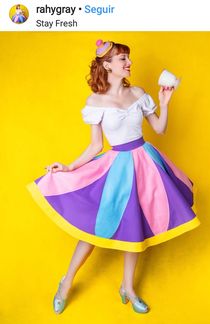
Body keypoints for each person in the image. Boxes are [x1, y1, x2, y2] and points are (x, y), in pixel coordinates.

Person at [26, 40, 200, 314]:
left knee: (136, 227)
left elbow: (160, 128)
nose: (129, 63)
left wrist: (165, 103)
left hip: (146, 164)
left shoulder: (139, 94)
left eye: (128, 58)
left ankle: (127, 288)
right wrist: (70, 167)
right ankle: (66, 282)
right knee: (97, 229)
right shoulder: (96, 102)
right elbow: (96, 145)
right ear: (107, 65)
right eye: (122, 59)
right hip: (117, 168)